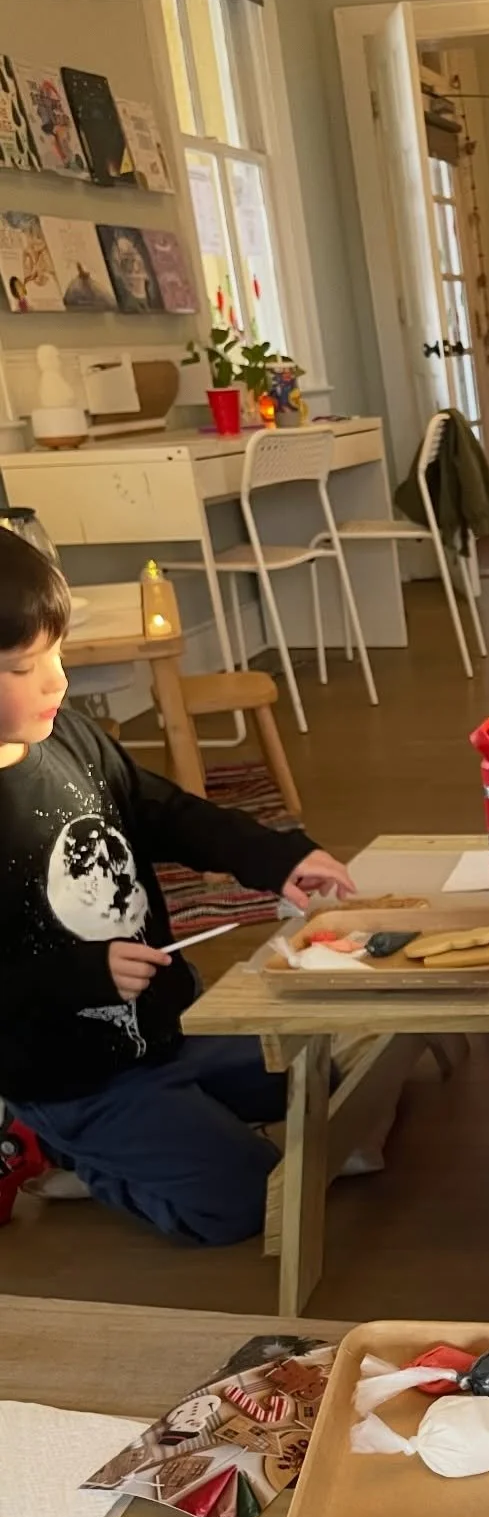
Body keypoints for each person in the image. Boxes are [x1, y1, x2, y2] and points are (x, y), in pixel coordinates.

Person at [0, 528, 355, 1245]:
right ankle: (71, 1151)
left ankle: (168, 1125)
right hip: (74, 1081)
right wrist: (81, 975)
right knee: (252, 1201)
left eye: (57, 653)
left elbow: (164, 811)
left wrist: (274, 857)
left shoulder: (66, 733)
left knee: (335, 1081)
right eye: (23, 666)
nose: (57, 681)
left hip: (172, 1028)